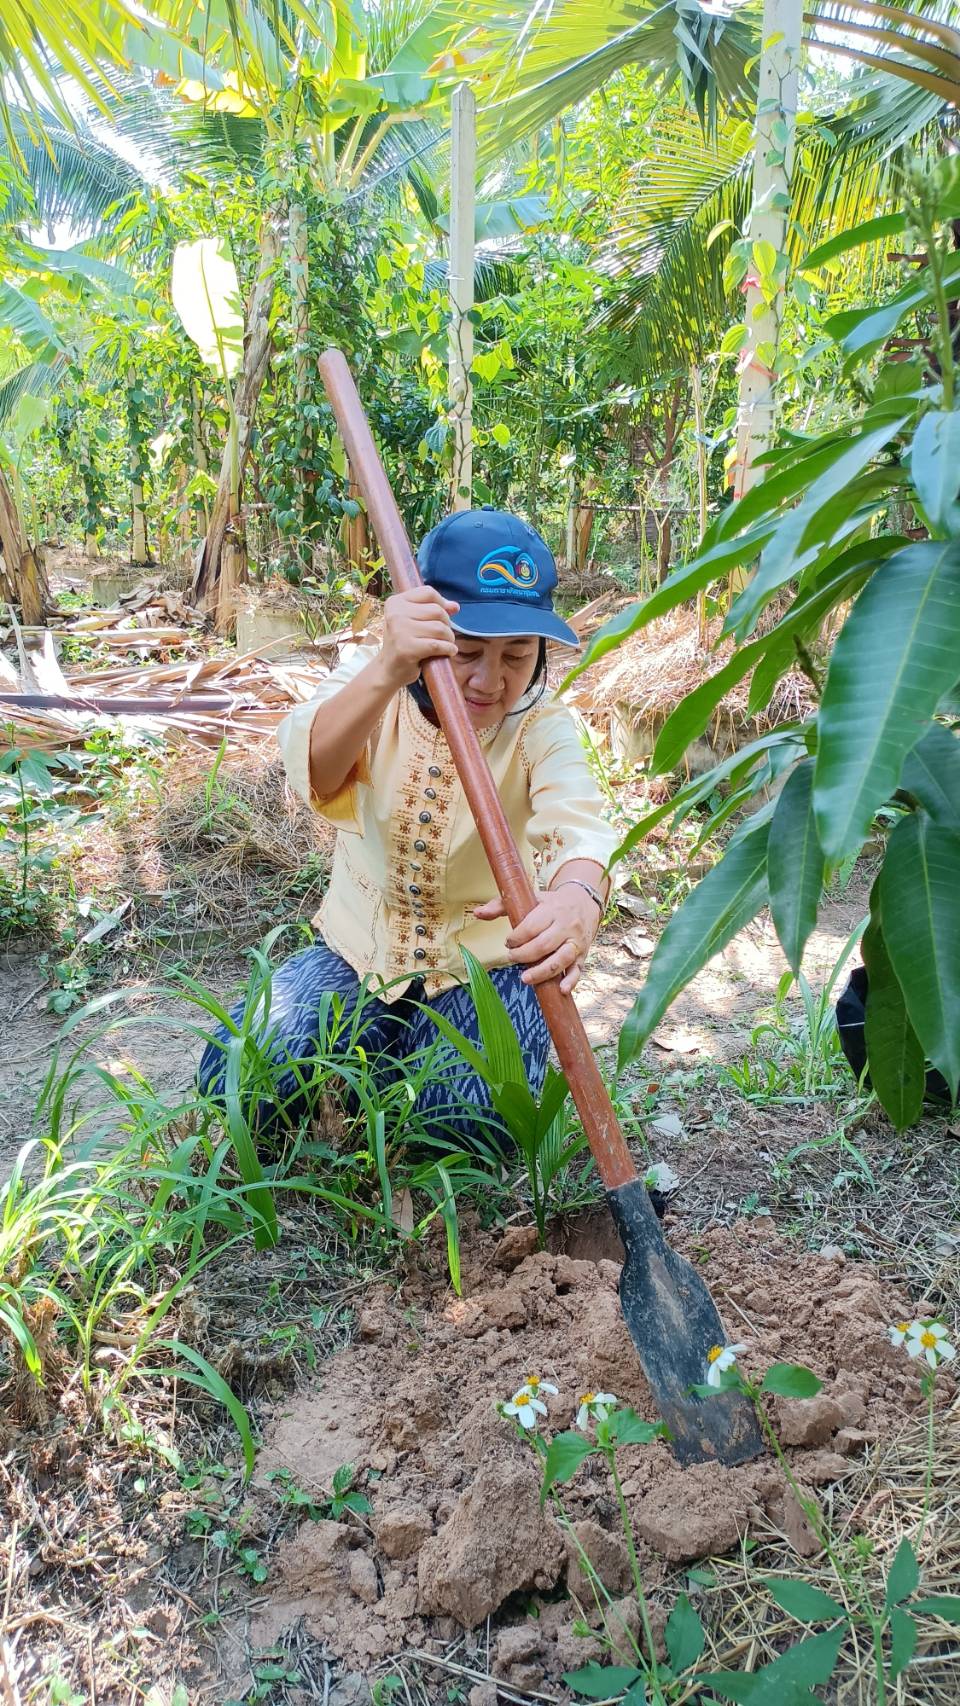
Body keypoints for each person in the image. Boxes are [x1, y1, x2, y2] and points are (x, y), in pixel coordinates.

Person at [198, 508, 618, 1146]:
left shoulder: (541, 727)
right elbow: (312, 765)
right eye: (466, 649)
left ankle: (411, 1072)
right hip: (356, 956)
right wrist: (389, 668)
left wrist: (578, 896)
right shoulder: (375, 683)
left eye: (517, 655)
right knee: (239, 1075)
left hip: (485, 968)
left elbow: (580, 823)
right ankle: (387, 1059)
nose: (488, 679)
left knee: (469, 1126)